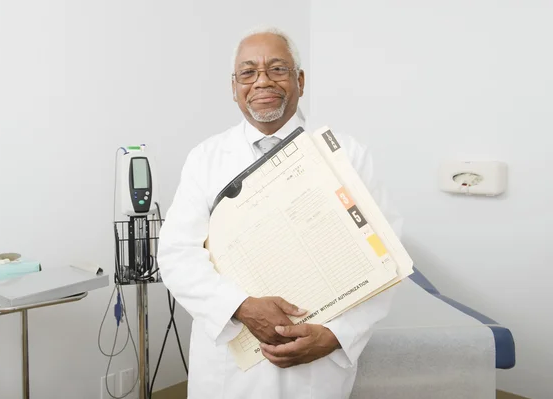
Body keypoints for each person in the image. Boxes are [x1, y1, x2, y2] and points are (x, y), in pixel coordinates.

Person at [157, 26, 403, 399]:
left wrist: (336, 336)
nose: (262, 81)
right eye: (248, 73)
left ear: (299, 80)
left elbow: (387, 257)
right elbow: (176, 254)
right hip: (231, 365)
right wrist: (240, 306)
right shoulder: (206, 159)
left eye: (277, 69)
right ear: (234, 86)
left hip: (316, 361)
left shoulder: (347, 156)